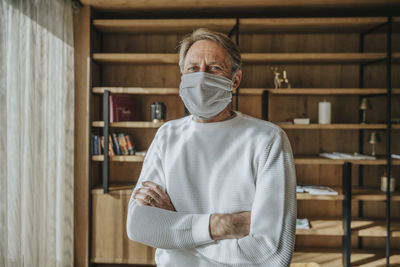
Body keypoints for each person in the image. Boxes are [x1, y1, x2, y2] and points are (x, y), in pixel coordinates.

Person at [126, 28, 297, 267]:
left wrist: (176, 226)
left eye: (215, 68)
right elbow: (138, 225)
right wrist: (222, 225)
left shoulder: (267, 139)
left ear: (235, 80)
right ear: (182, 76)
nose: (202, 77)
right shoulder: (167, 135)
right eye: (193, 69)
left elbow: (273, 253)